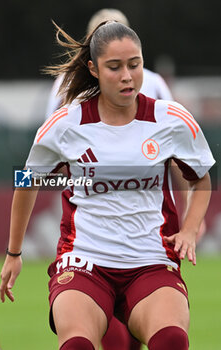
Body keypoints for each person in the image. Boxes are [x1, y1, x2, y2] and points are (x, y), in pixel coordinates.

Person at [0, 21, 215, 350]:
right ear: (94, 69)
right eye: (114, 67)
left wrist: (188, 229)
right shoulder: (66, 123)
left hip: (150, 260)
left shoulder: (170, 119)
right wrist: (14, 253)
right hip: (85, 262)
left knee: (172, 339)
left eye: (135, 64)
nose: (127, 75)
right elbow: (27, 182)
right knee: (77, 346)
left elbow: (200, 179)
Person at [45, 8, 173, 350]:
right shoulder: (65, 88)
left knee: (157, 322)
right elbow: (49, 162)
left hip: (146, 221)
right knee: (93, 318)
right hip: (92, 222)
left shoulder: (155, 83)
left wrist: (188, 218)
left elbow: (178, 153)